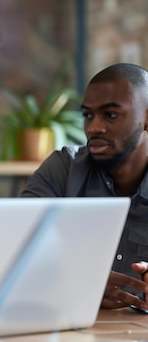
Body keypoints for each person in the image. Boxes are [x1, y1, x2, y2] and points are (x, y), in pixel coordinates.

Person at [21, 62, 148, 311]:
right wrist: (73, 283)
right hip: (71, 338)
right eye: (88, 115)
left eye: (110, 115)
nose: (93, 128)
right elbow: (15, 257)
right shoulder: (62, 169)